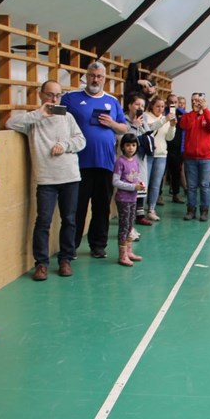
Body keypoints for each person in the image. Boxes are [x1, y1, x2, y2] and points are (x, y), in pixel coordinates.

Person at [6, 80, 86, 280]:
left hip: (70, 177)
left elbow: (81, 140)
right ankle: (41, 263)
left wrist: (65, 145)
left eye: (58, 95)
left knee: (69, 220)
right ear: (41, 95)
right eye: (50, 94)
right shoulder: (33, 120)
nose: (54, 99)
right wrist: (38, 114)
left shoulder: (68, 117)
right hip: (46, 180)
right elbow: (10, 123)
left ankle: (65, 259)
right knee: (43, 221)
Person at [62, 61, 128, 259]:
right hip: (79, 164)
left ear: (104, 79)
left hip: (105, 164)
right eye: (92, 75)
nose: (95, 79)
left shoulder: (112, 101)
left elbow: (124, 128)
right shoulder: (71, 97)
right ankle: (71, 247)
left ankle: (98, 246)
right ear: (86, 76)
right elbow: (56, 117)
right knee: (77, 207)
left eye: (99, 76)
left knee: (101, 207)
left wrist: (112, 123)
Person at [178, 92, 210, 222]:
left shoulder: (209, 115)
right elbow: (184, 125)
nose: (195, 102)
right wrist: (194, 113)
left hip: (205, 158)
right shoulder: (187, 116)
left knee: (204, 185)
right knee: (191, 186)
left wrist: (205, 110)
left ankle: (204, 211)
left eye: (198, 100)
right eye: (193, 100)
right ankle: (191, 210)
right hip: (190, 157)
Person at [113, 134, 145, 266]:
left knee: (130, 225)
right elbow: (115, 181)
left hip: (133, 198)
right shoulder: (120, 162)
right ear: (122, 147)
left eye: (133, 145)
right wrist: (133, 187)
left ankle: (129, 251)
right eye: (127, 145)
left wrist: (140, 184)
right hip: (123, 199)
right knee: (124, 226)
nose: (131, 148)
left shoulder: (135, 161)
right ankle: (122, 255)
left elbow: (135, 177)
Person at [143, 97, 176, 221]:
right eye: (158, 106)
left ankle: (151, 209)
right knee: (144, 183)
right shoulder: (146, 116)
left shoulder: (165, 119)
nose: (160, 109)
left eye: (162, 106)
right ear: (152, 106)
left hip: (161, 155)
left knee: (156, 185)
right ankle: (140, 209)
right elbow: (149, 128)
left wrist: (172, 126)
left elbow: (169, 138)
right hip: (148, 155)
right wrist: (164, 120)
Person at [123, 92, 152, 227]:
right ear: (130, 105)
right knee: (129, 187)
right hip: (127, 161)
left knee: (141, 185)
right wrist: (134, 126)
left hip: (140, 158)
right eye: (137, 104)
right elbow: (124, 139)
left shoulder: (143, 120)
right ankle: (128, 216)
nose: (140, 108)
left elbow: (148, 134)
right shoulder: (123, 120)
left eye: (142, 106)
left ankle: (140, 215)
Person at [165, 94, 186, 204]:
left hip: (177, 149)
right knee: (162, 173)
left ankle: (176, 194)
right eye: (171, 102)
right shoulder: (163, 113)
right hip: (164, 147)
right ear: (167, 103)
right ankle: (159, 195)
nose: (173, 104)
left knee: (176, 173)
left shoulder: (183, 114)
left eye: (175, 102)